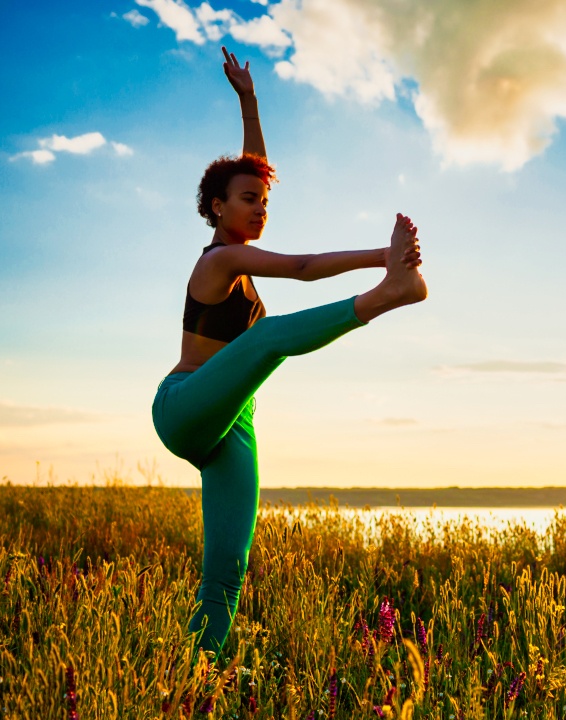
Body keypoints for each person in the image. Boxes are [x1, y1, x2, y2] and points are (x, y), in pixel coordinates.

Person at [151, 47, 427, 664]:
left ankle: (200, 683)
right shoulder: (219, 260)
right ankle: (391, 296)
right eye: (246, 199)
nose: (259, 206)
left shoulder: (241, 250)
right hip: (184, 407)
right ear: (217, 208)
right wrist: (383, 261)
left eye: (263, 202)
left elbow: (257, 169)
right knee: (267, 341)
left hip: (231, 426)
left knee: (226, 576)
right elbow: (301, 269)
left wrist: (249, 101)